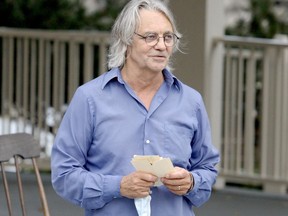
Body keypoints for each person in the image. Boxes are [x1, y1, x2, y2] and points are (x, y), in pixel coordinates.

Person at [51, 0, 220, 215]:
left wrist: (191, 182)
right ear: (127, 40)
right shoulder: (90, 99)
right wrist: (118, 186)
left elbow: (207, 168)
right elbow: (64, 175)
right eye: (151, 37)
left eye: (168, 37)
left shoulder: (191, 101)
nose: (161, 45)